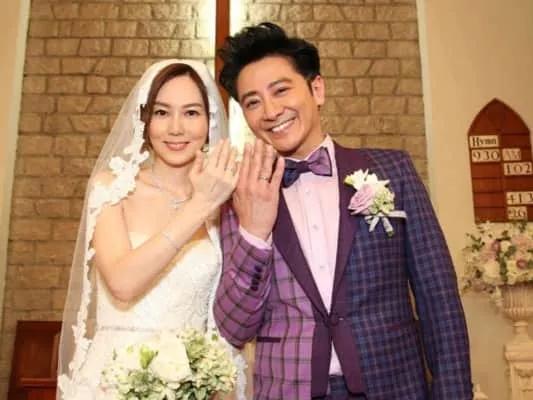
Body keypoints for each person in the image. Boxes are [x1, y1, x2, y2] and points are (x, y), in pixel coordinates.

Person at [214, 22, 472, 399]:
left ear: (317, 89)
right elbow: (234, 328)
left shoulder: (393, 171)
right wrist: (254, 233)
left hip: (394, 387)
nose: (270, 111)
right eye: (252, 102)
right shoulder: (239, 196)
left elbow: (439, 299)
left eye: (281, 90)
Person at [57, 59, 249, 399]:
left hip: (195, 384)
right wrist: (199, 205)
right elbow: (122, 283)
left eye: (191, 113)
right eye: (162, 112)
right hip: (114, 379)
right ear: (144, 120)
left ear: (209, 121)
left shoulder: (227, 201)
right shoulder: (112, 189)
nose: (176, 128)